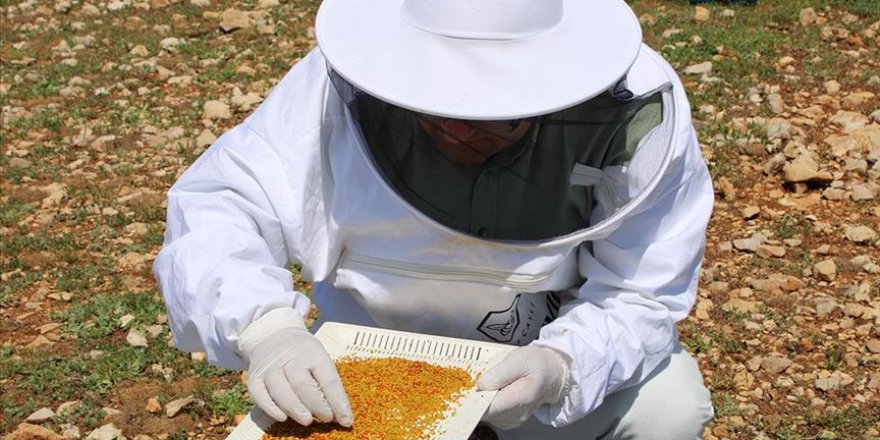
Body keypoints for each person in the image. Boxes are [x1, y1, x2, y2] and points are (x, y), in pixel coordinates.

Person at [153, 0, 716, 438]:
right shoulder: (332, 86)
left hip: (535, 364)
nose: (458, 130)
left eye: (494, 118)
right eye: (433, 108)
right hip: (367, 364)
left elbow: (641, 293)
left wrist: (562, 366)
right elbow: (221, 203)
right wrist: (267, 331)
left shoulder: (636, 118)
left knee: (668, 409)